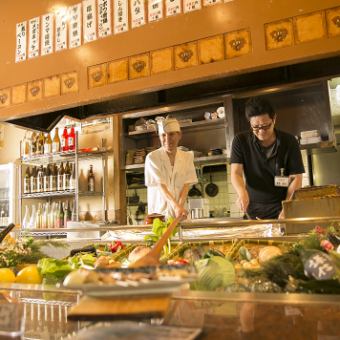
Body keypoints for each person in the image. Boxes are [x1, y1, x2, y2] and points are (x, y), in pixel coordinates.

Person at [230, 97, 304, 219]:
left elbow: (296, 178)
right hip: (253, 208)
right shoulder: (240, 141)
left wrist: (288, 207)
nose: (261, 131)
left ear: (274, 118)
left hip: (282, 205)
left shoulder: (289, 141)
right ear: (250, 123)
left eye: (265, 126)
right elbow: (236, 173)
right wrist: (242, 193)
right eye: (256, 127)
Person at [145, 117, 198, 219]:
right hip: (159, 215)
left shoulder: (187, 157)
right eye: (163, 135)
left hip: (180, 214)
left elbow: (186, 185)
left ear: (179, 135)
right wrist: (176, 207)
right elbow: (161, 186)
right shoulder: (152, 158)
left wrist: (180, 207)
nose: (167, 139)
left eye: (171, 134)